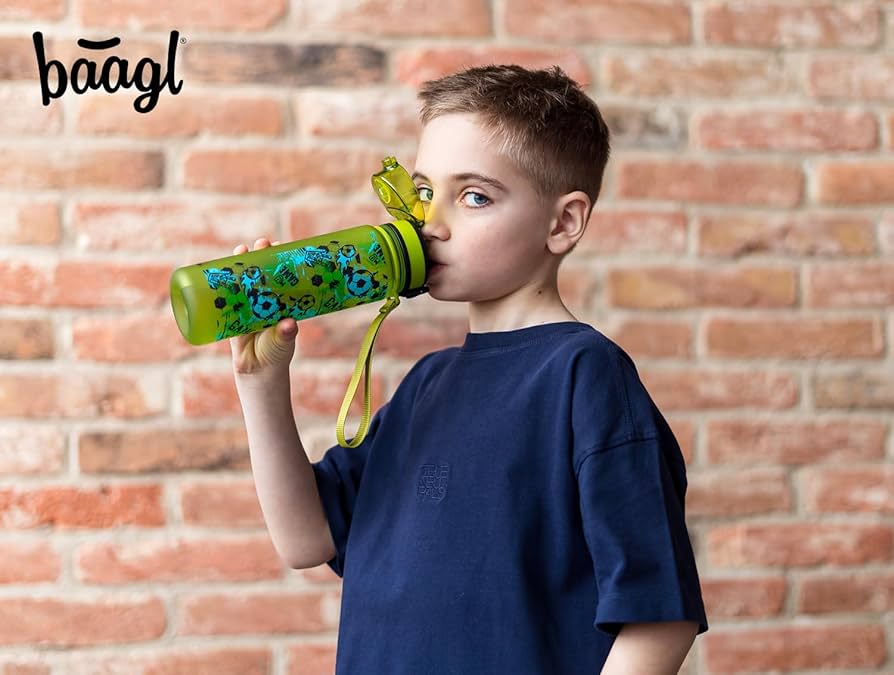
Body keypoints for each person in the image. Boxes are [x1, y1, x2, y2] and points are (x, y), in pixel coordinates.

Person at [231, 64, 708, 674]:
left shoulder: (583, 376)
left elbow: (660, 619)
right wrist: (261, 383)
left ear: (563, 223)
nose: (431, 224)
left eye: (475, 196)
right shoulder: (425, 385)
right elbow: (305, 539)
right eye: (424, 193)